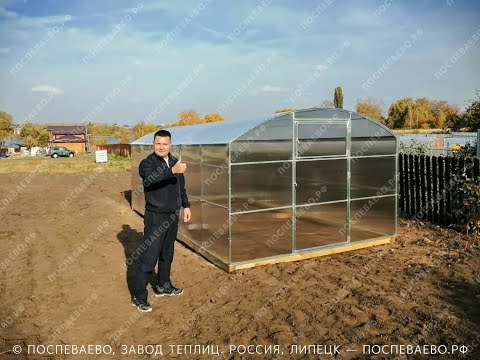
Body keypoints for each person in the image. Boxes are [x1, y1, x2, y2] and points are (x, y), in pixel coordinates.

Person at [132, 129, 191, 312]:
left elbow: (180, 186)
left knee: (167, 253)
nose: (161, 147)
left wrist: (186, 205)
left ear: (170, 145)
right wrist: (171, 170)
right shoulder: (147, 163)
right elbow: (150, 180)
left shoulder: (175, 161)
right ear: (153, 144)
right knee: (149, 257)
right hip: (155, 217)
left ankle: (163, 285)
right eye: (158, 143)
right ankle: (139, 296)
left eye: (165, 144)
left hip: (172, 214)